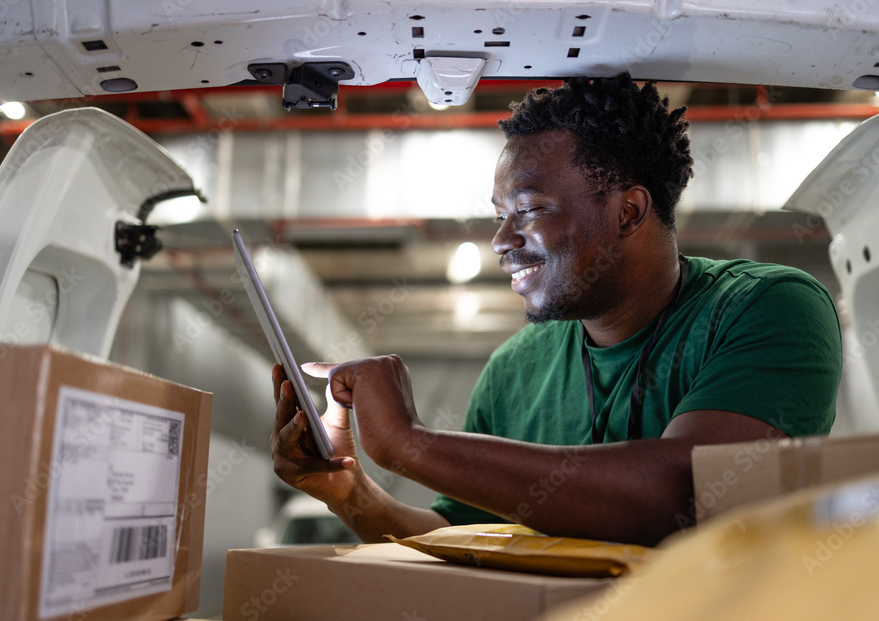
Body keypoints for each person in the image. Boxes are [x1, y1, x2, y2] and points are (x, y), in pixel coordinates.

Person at [270, 75, 842, 547]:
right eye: (500, 213)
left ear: (629, 211)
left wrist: (410, 443)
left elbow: (687, 496)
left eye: (529, 209)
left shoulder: (765, 306)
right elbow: (459, 535)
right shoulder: (515, 369)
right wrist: (351, 492)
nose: (500, 239)